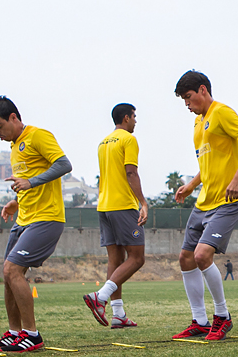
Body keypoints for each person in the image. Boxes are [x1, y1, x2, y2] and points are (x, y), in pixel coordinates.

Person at [170, 70, 238, 341]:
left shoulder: (222, 112)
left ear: (202, 90)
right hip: (204, 202)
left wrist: (237, 179)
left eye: (188, 98)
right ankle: (199, 320)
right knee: (186, 259)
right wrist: (190, 185)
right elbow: (207, 163)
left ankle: (222, 316)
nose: (187, 105)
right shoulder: (199, 123)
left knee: (201, 256)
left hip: (228, 201)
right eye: (183, 101)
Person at [0, 96, 71, 352]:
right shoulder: (15, 146)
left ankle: (32, 334)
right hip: (24, 219)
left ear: (13, 117)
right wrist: (16, 201)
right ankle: (14, 333)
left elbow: (65, 165)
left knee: (12, 270)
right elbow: (28, 183)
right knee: (8, 274)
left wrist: (30, 183)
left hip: (47, 219)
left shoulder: (38, 136)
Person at [83, 103, 148, 329]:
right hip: (123, 205)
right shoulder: (128, 139)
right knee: (137, 258)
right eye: (134, 117)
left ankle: (118, 314)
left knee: (115, 260)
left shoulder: (103, 142)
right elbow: (131, 172)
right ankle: (99, 297)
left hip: (104, 206)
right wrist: (143, 202)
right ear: (126, 118)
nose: (136, 121)